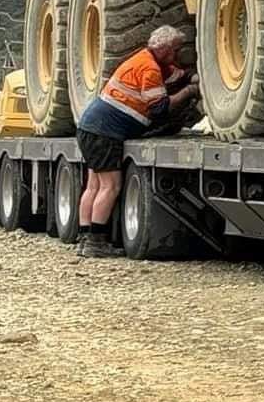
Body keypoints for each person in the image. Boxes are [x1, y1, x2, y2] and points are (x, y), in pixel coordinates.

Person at [73, 23, 199, 258]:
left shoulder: (143, 58)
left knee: (94, 186)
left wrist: (190, 76)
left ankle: (83, 238)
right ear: (164, 49)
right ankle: (95, 242)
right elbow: (160, 108)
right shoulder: (150, 69)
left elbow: (175, 73)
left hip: (90, 128)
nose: (176, 55)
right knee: (110, 187)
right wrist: (189, 92)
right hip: (106, 132)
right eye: (175, 50)